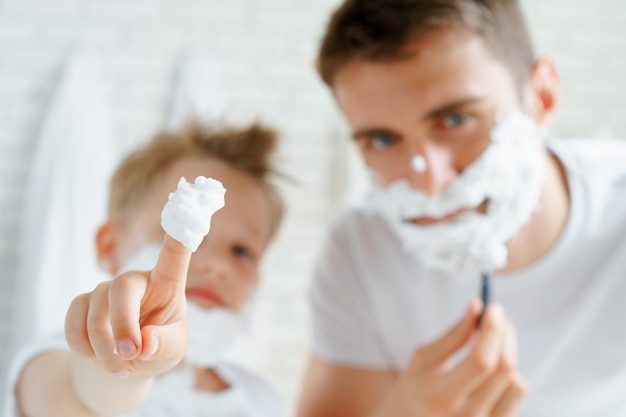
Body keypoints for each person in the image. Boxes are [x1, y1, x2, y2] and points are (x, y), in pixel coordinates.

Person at [296, 1, 626, 416]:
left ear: (542, 96)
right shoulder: (362, 243)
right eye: (382, 140)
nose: (430, 181)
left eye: (455, 121)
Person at [6, 120, 286, 417]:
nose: (217, 264)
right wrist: (128, 357)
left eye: (242, 251)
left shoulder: (262, 401)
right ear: (110, 245)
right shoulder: (54, 362)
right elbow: (80, 399)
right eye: (190, 232)